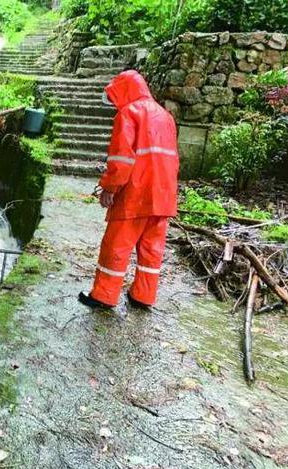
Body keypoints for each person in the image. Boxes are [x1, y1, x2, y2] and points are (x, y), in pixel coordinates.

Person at [79, 70, 179, 310]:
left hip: (136, 195)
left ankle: (104, 295)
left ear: (123, 91)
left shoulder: (128, 114)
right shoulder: (166, 117)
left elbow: (122, 160)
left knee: (116, 245)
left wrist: (109, 188)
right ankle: (143, 296)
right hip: (163, 195)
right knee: (151, 249)